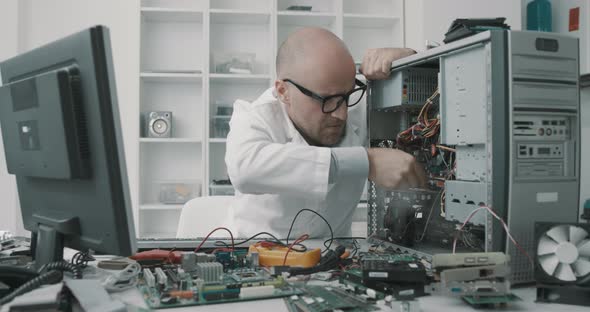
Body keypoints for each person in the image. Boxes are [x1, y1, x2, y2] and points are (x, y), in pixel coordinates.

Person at [225, 27, 425, 238]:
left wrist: (410, 59)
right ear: (283, 92)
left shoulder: (357, 102)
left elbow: (431, 93)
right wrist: (367, 161)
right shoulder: (255, 116)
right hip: (257, 254)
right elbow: (245, 169)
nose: (341, 114)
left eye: (347, 96)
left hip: (335, 260)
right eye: (327, 100)